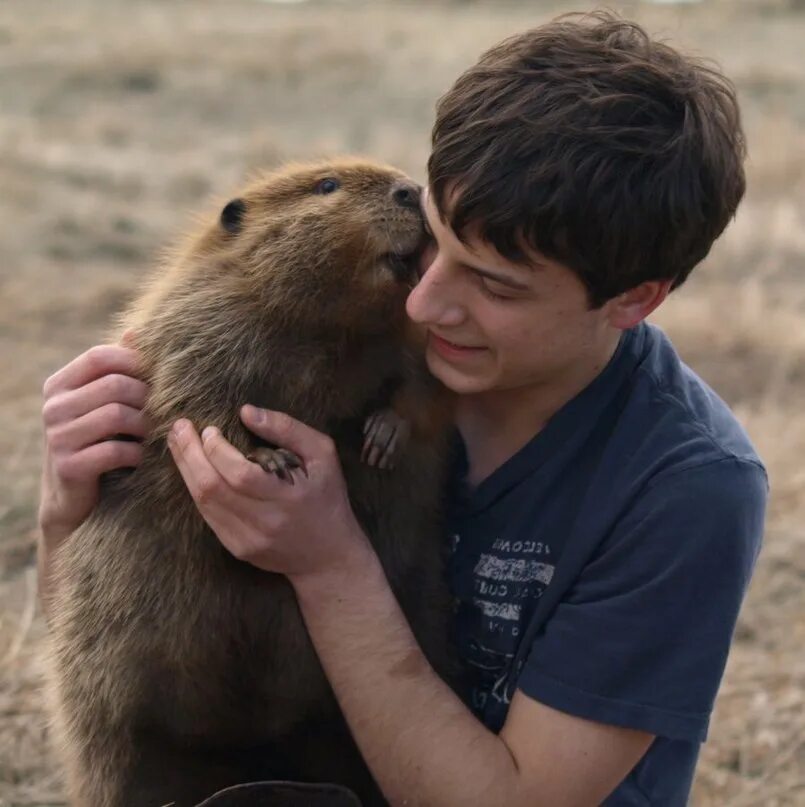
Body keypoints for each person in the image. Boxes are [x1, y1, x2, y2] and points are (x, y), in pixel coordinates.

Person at [38, 11, 767, 806]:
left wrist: (329, 566)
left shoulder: (683, 488)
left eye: (494, 286)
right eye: (433, 245)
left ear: (632, 300)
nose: (426, 300)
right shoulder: (340, 341)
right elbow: (118, 675)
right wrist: (69, 514)